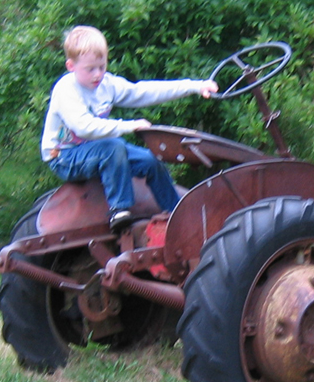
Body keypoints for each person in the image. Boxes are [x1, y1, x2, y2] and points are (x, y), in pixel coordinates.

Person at [41, 25, 218, 231]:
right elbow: (84, 127)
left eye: (102, 66)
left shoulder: (106, 85)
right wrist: (129, 126)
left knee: (151, 160)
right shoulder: (66, 90)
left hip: (97, 150)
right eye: (90, 69)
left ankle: (177, 213)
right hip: (63, 156)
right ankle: (119, 210)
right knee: (113, 147)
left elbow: (143, 91)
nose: (98, 74)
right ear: (71, 66)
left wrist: (195, 86)